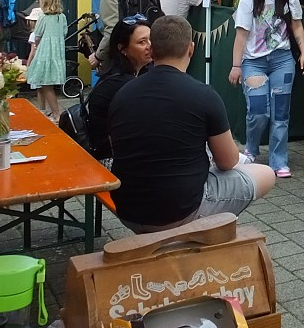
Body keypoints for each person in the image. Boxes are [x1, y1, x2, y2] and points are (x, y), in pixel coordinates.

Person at [108, 15, 276, 233]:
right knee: (265, 174)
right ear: (191, 48)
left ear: (152, 50)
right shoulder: (204, 94)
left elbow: (118, 149)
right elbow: (228, 161)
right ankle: (200, 232)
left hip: (128, 211)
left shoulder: (122, 94)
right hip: (180, 211)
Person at [229, 0, 304, 178]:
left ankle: (279, 161)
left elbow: (296, 26)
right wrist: (236, 65)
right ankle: (251, 148)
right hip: (253, 61)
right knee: (258, 111)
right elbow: (241, 34)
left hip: (282, 59)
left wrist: (303, 53)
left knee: (281, 113)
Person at [87, 16, 153, 160]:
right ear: (122, 49)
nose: (150, 46)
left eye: (151, 39)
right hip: (110, 160)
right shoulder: (120, 84)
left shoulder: (135, 75)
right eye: (142, 42)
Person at [26, 0, 67, 122]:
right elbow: (64, 32)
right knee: (47, 84)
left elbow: (37, 35)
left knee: (45, 83)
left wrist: (37, 43)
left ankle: (56, 114)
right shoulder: (62, 17)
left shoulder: (43, 17)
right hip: (57, 54)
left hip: (45, 53)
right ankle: (52, 112)